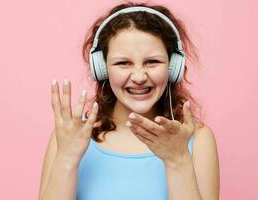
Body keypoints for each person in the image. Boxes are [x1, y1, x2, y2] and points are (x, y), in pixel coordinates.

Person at [38, 2, 220, 200]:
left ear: (173, 66)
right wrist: (66, 159)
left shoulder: (198, 139)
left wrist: (178, 161)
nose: (139, 76)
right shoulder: (68, 136)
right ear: (102, 68)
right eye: (123, 63)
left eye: (152, 62)